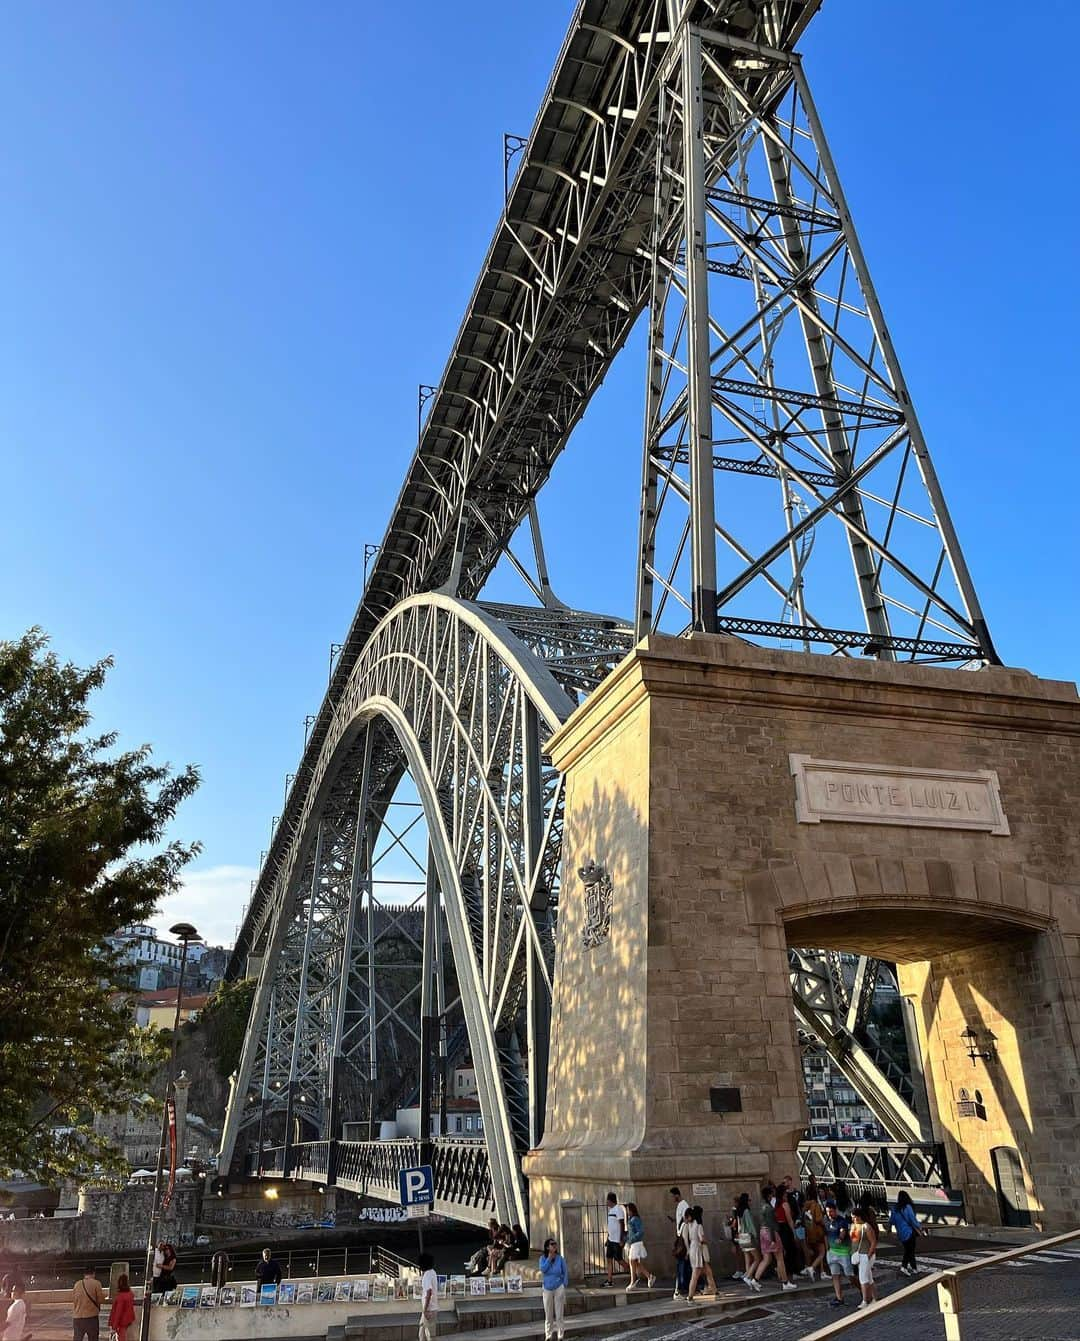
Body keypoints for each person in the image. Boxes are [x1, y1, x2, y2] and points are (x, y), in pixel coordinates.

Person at [754, 1186, 796, 1292]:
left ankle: (755, 1279)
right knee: (780, 1258)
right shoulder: (768, 1208)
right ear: (769, 1195)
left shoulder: (762, 1206)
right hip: (771, 1233)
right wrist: (773, 1239)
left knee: (767, 1259)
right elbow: (772, 1224)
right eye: (772, 1194)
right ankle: (785, 1282)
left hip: (763, 1232)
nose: (773, 1196)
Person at [823, 1199, 854, 1308]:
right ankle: (839, 1297)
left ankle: (862, 1290)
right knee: (835, 1275)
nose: (829, 1214)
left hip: (843, 1253)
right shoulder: (826, 1221)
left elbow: (842, 1231)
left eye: (831, 1211)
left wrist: (840, 1238)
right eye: (827, 1211)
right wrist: (827, 1249)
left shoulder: (842, 1221)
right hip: (832, 1252)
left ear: (835, 1210)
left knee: (850, 1275)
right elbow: (825, 1235)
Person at [685, 1206, 718, 1303]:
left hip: (693, 1248)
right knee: (695, 1274)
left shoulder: (690, 1225)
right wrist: (706, 1242)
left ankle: (715, 1290)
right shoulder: (698, 1225)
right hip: (698, 1250)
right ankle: (690, 1295)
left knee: (708, 1271)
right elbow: (702, 1239)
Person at [538, 1237, 568, 1341]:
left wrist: (564, 1284)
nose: (554, 1245)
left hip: (559, 1287)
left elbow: (565, 1272)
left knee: (559, 1313)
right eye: (552, 1244)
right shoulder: (542, 1258)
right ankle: (548, 1335)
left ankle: (560, 1335)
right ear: (547, 1247)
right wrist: (549, 1259)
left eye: (555, 1244)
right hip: (547, 1288)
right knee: (548, 1314)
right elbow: (543, 1269)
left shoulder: (560, 1258)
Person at [623, 1203, 657, 1290]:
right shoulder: (632, 1219)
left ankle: (633, 1282)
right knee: (634, 1262)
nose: (627, 1212)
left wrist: (631, 1239)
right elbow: (631, 1233)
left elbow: (640, 1232)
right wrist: (626, 1240)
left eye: (628, 1210)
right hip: (634, 1243)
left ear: (631, 1210)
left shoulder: (635, 1219)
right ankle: (649, 1276)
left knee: (632, 1262)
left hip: (636, 1243)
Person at [889, 1191, 923, 1276]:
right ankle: (904, 1267)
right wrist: (919, 1227)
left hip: (900, 1233)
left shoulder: (894, 1208)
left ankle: (914, 1268)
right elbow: (912, 1219)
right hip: (909, 1232)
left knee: (909, 1250)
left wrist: (889, 1229)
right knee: (909, 1251)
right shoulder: (907, 1207)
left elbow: (891, 1221)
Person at [734, 1192, 762, 1291]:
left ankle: (749, 1279)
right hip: (748, 1236)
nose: (750, 1202)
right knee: (757, 1259)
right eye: (749, 1200)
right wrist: (756, 1236)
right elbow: (751, 1226)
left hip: (741, 1237)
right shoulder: (746, 1211)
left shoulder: (739, 1211)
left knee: (747, 1259)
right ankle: (748, 1276)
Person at [850, 1206, 877, 1309]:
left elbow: (873, 1242)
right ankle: (874, 1298)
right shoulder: (853, 1226)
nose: (853, 1219)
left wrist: (869, 1255)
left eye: (854, 1217)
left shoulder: (866, 1227)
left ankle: (865, 1300)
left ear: (859, 1216)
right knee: (869, 1278)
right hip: (858, 1254)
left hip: (865, 1254)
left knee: (863, 1278)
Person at [72, 1266, 105, 1341]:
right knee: (93, 1338)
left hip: (77, 1318)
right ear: (94, 1273)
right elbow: (100, 1300)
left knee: (77, 1339)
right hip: (91, 1317)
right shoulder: (96, 1283)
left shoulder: (77, 1284)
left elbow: (74, 1300)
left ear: (84, 1274)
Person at [801, 1187, 827, 1280]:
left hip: (809, 1232)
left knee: (817, 1251)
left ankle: (821, 1271)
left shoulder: (805, 1206)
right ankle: (812, 1267)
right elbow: (818, 1219)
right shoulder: (815, 1205)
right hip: (817, 1231)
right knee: (822, 1252)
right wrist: (824, 1225)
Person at [669, 1189, 690, 1299]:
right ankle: (683, 1287)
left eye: (673, 1196)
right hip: (680, 1236)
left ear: (677, 1195)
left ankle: (681, 1289)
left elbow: (685, 1220)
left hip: (682, 1237)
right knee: (682, 1265)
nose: (672, 1198)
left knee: (681, 1265)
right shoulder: (680, 1205)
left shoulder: (684, 1205)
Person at [604, 1193, 627, 1285]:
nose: (606, 1202)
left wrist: (621, 1239)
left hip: (617, 1240)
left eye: (607, 1200)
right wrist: (607, 1238)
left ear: (610, 1200)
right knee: (609, 1259)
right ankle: (609, 1280)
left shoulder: (618, 1209)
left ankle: (633, 1273)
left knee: (619, 1259)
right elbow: (611, 1226)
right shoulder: (611, 1211)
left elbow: (622, 1223)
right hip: (611, 1239)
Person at [107, 1274, 135, 1341]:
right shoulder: (130, 1294)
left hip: (121, 1323)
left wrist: (114, 1326)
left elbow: (118, 1312)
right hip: (128, 1321)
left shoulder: (120, 1297)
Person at [418, 1252, 438, 1341]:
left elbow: (429, 1292)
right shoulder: (433, 1272)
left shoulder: (426, 1275)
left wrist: (425, 1310)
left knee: (430, 1335)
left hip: (429, 1309)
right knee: (422, 1333)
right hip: (431, 1308)